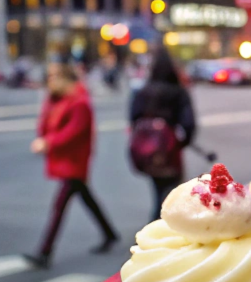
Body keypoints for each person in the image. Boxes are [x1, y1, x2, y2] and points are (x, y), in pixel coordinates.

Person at [27, 62, 118, 268]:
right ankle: (109, 233)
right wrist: (48, 99)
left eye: (55, 76)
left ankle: (45, 252)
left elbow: (73, 133)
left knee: (60, 205)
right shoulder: (59, 100)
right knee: (86, 197)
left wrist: (48, 142)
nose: (50, 81)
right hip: (66, 159)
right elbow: (44, 124)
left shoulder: (79, 102)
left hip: (74, 160)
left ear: (66, 78)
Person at [129, 49, 196, 218]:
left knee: (157, 187)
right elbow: (189, 123)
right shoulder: (178, 91)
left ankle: (157, 219)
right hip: (169, 148)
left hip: (146, 151)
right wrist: (182, 142)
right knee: (172, 191)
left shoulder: (143, 90)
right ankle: (162, 224)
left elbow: (133, 117)